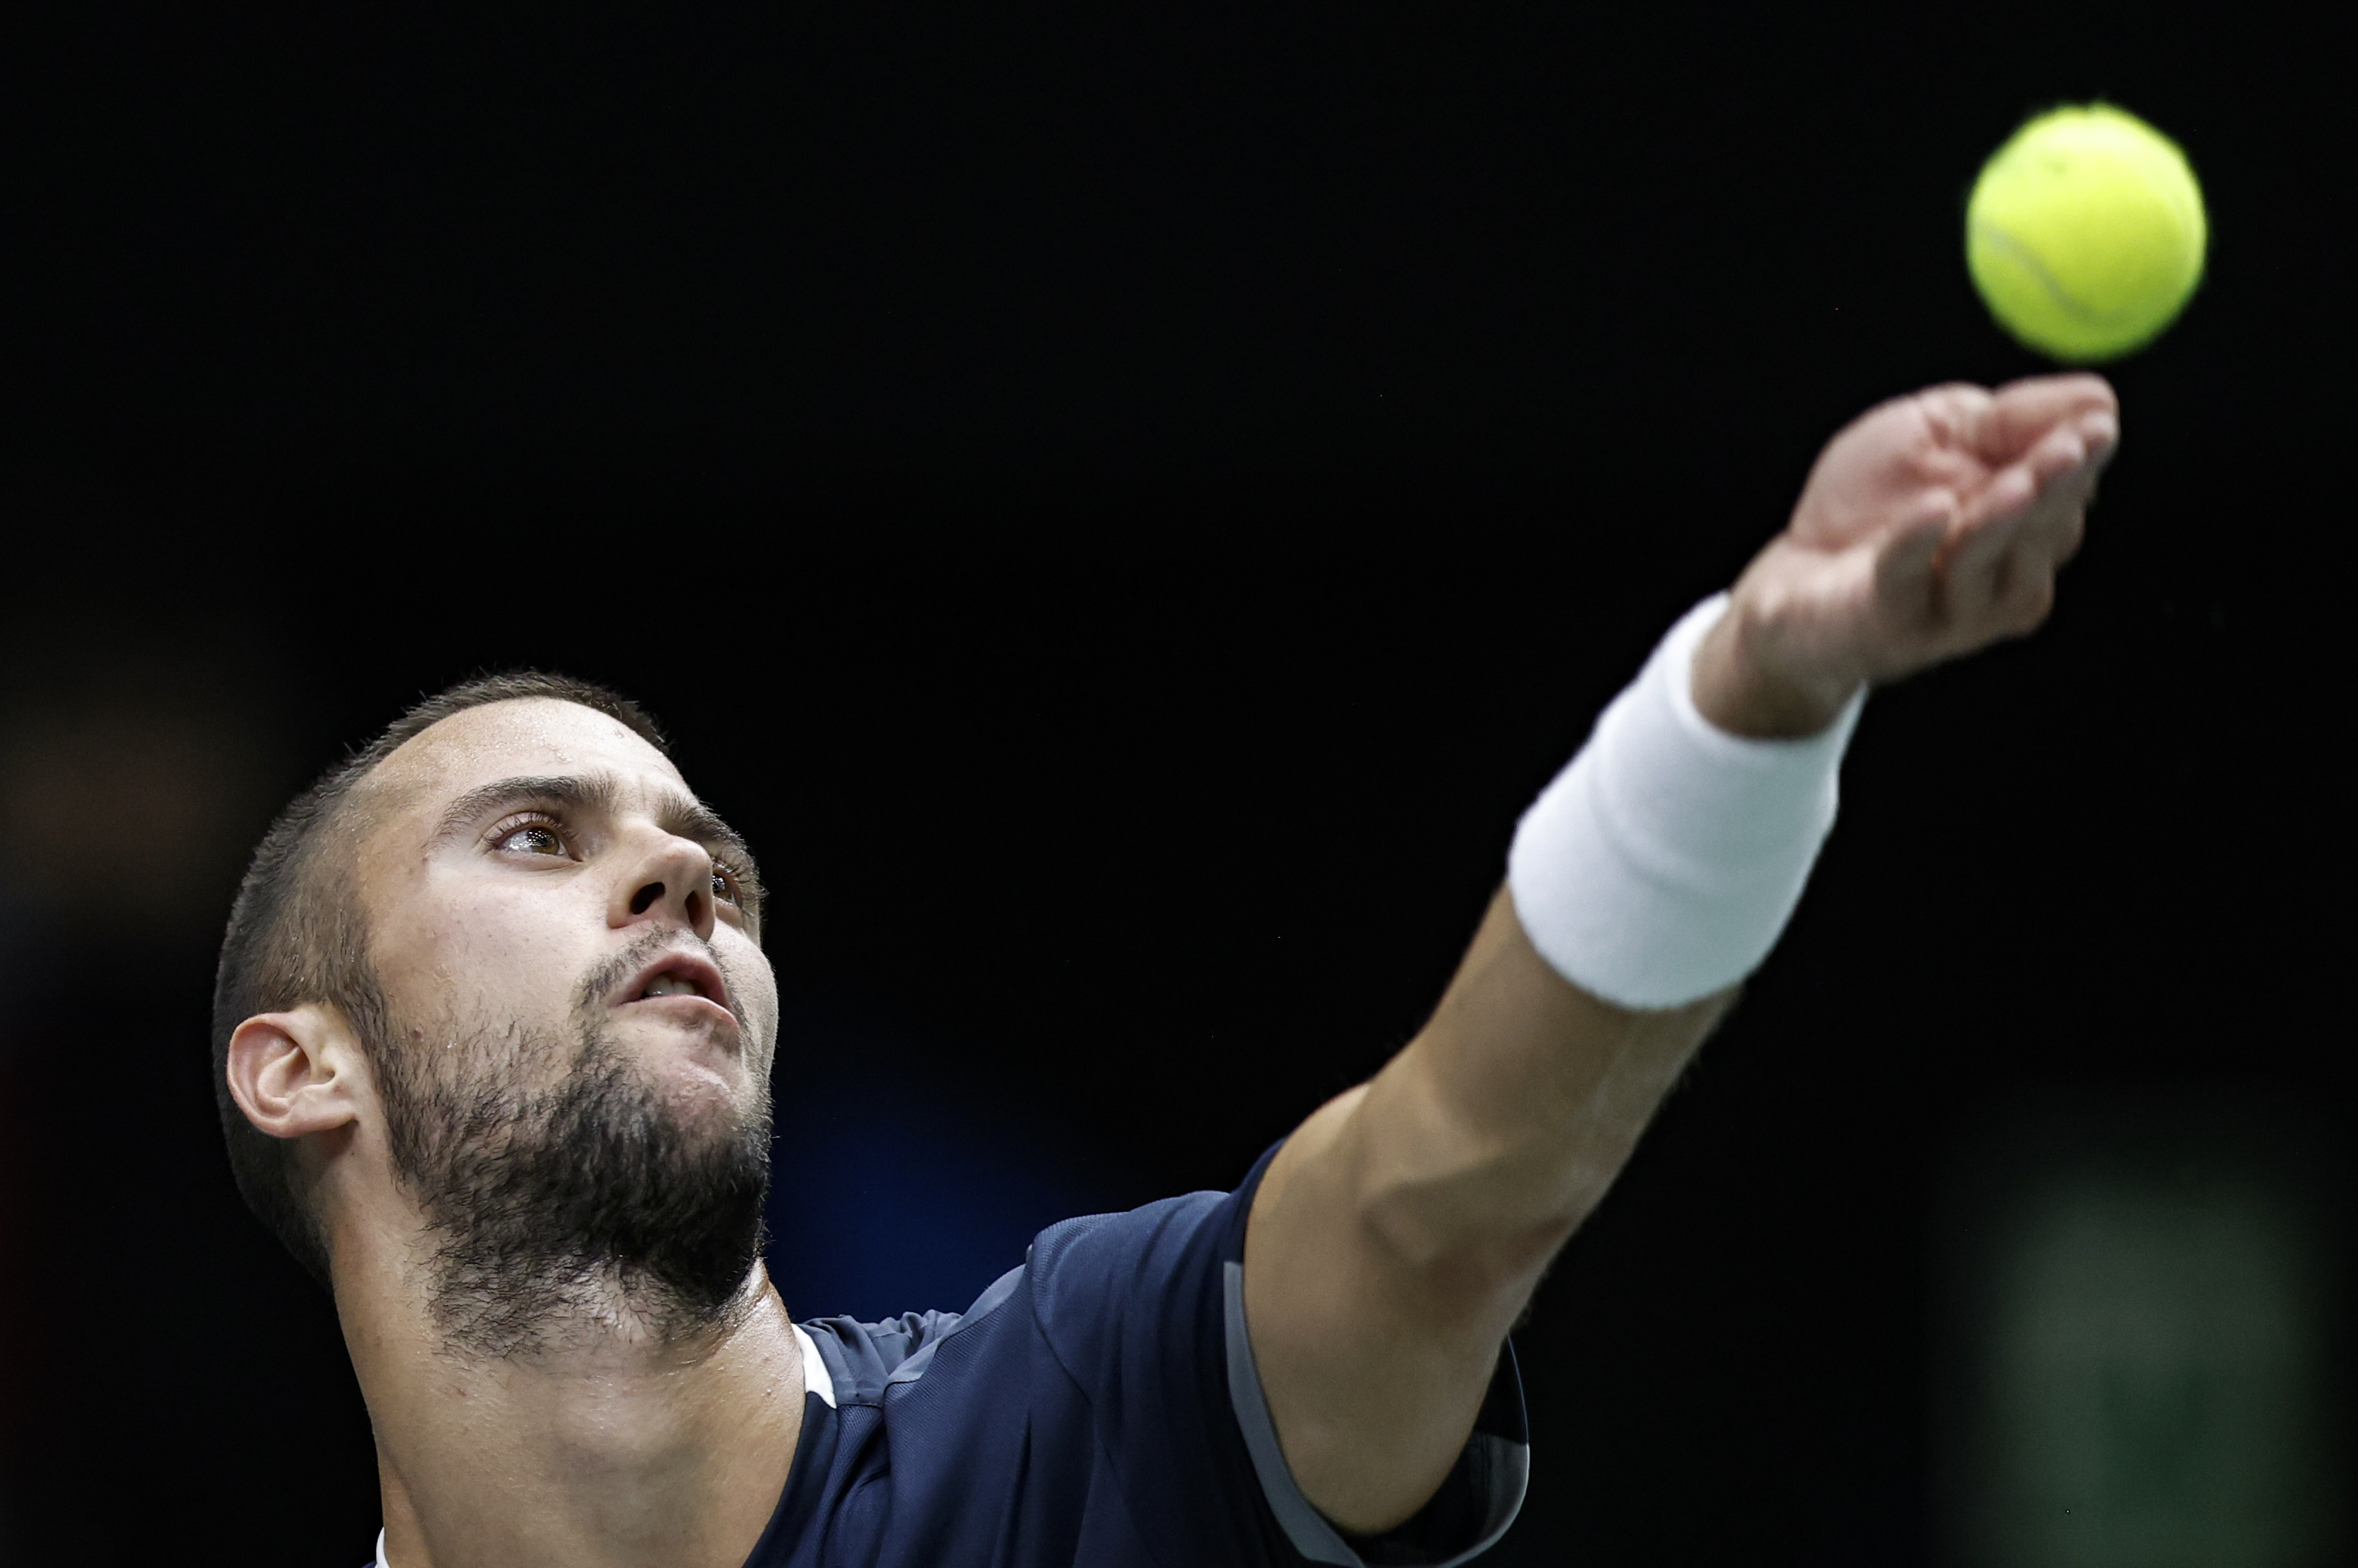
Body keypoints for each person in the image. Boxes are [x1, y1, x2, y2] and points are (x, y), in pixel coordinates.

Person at [216, 373, 2117, 1568]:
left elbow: (1446, 1194)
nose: (676, 880)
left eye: (710, 863)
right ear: (299, 1065)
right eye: (541, 840)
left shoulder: (1084, 1408)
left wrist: (1753, 704)